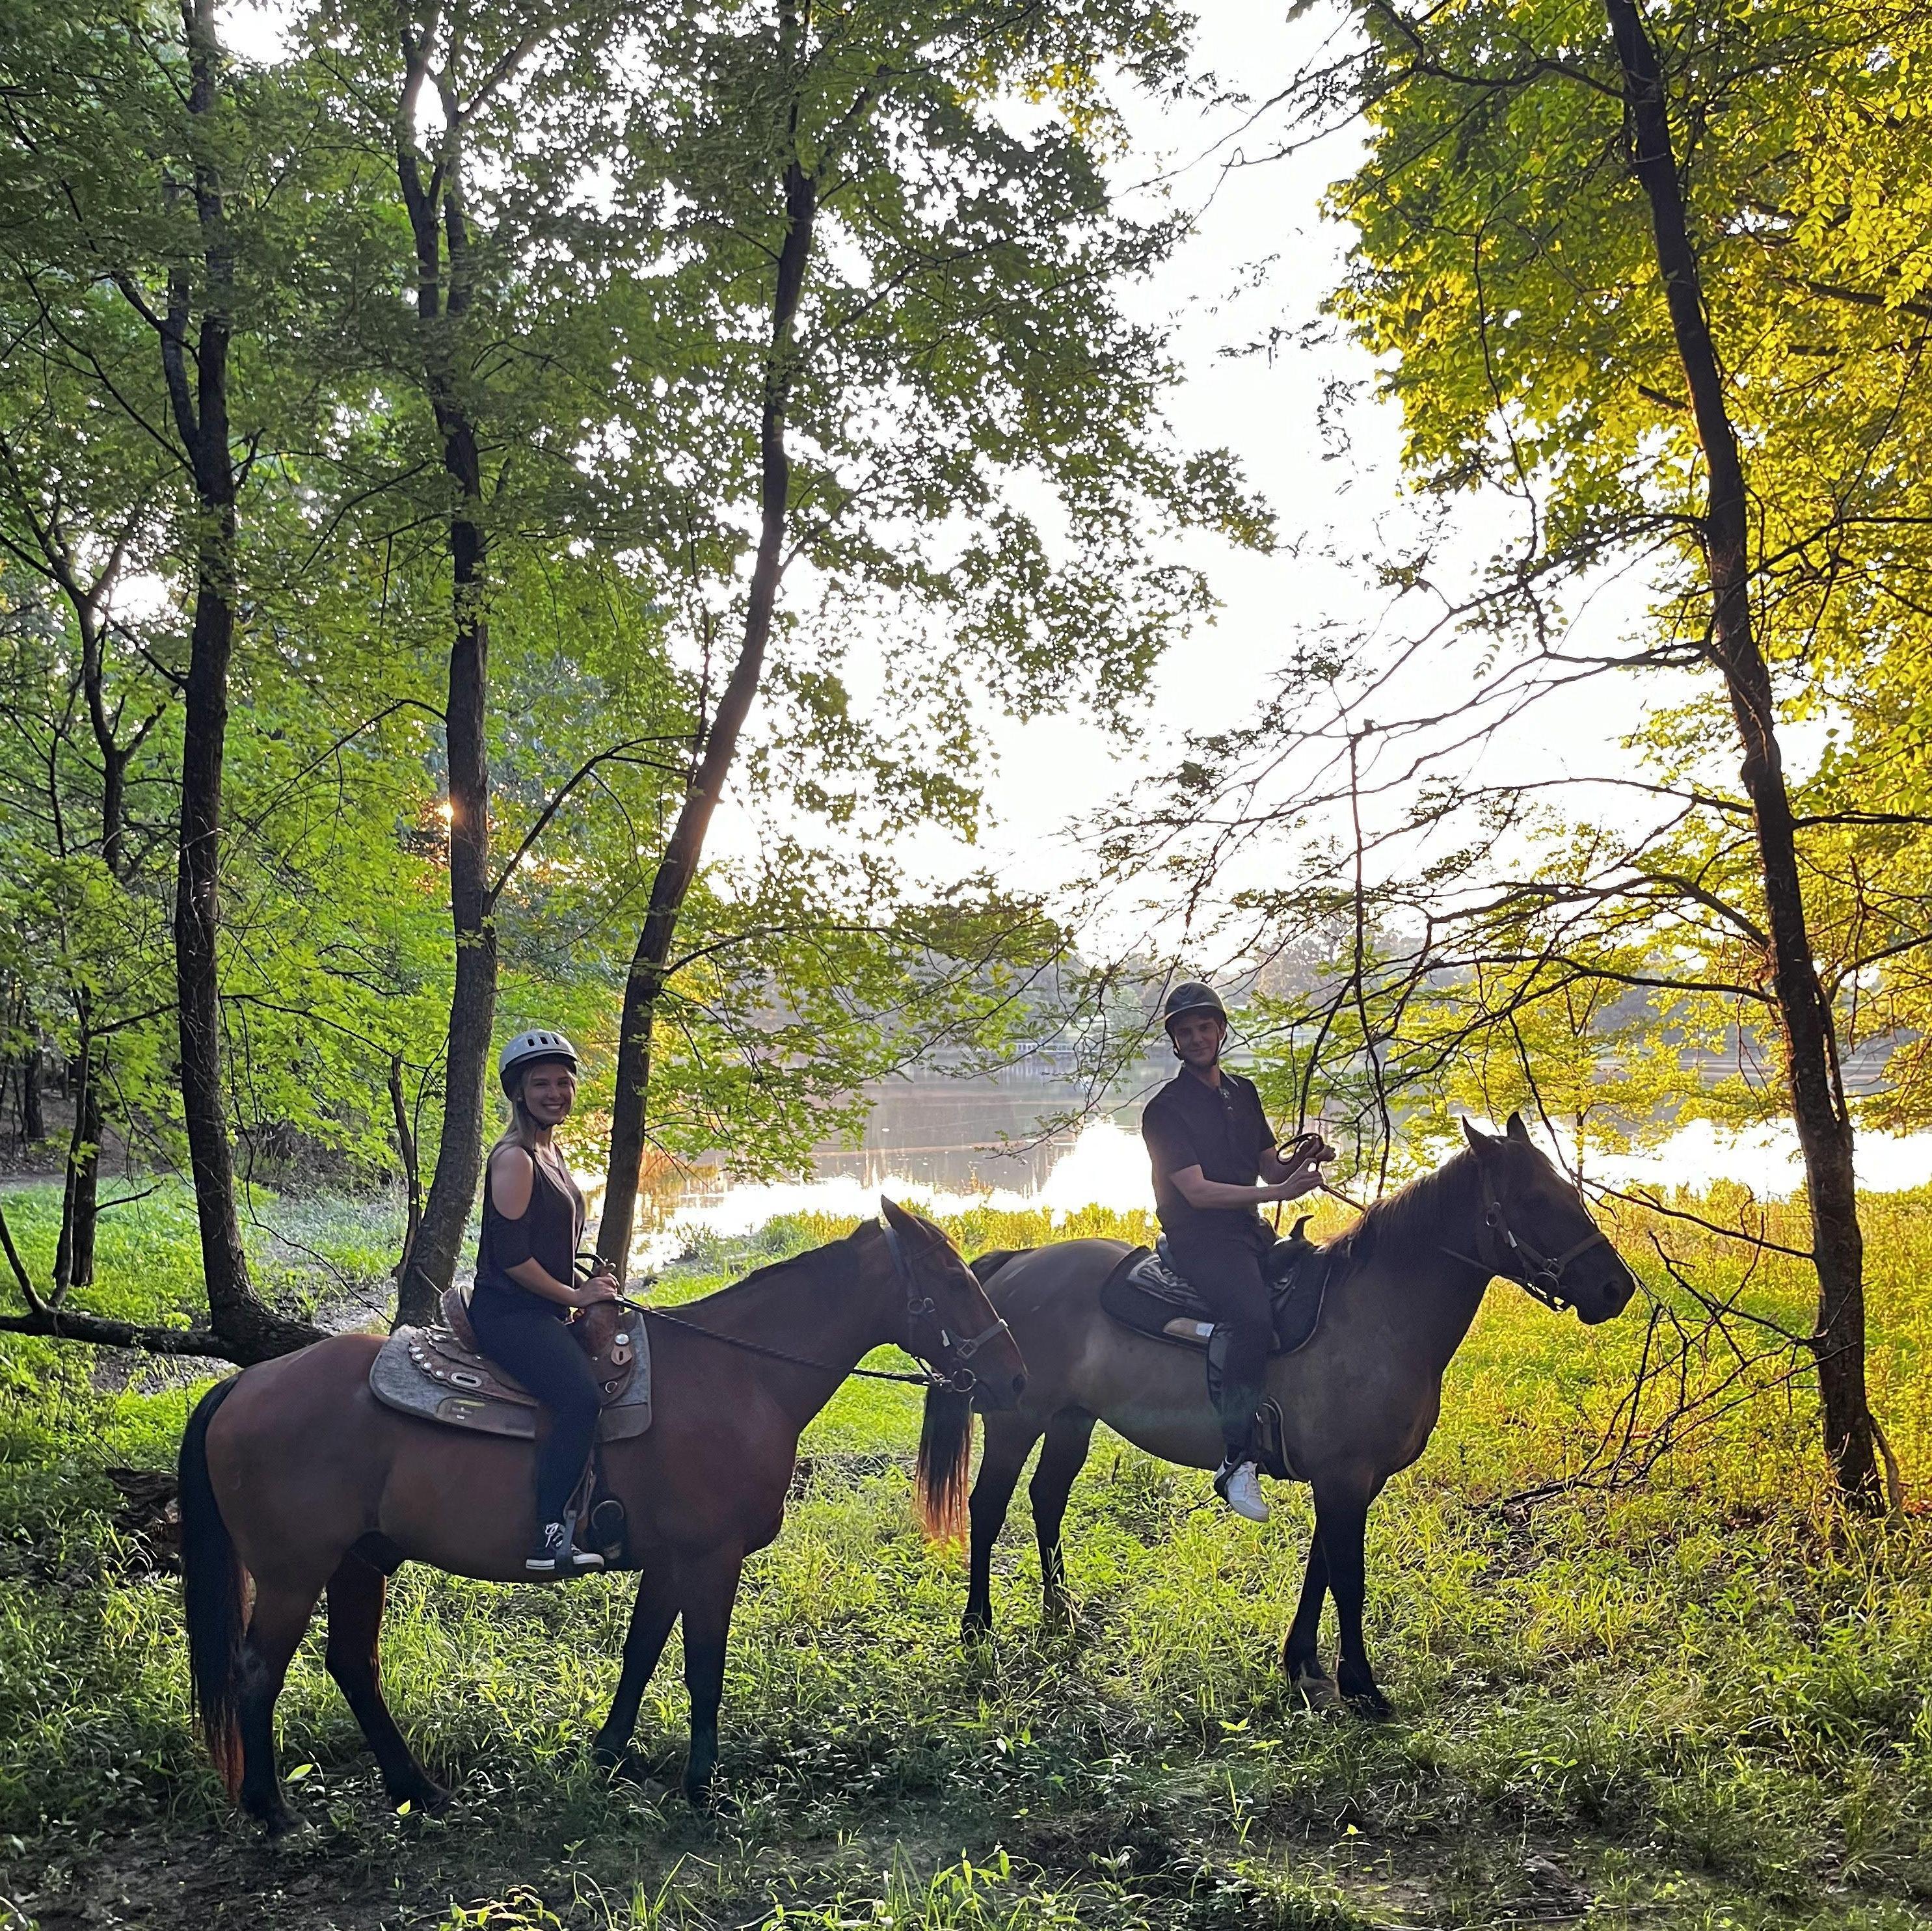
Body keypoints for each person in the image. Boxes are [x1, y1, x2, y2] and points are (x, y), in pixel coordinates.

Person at [1140, 982, 1330, 1525]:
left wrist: (1302, 1158)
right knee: (1251, 1316)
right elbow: (1196, 1191)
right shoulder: (1165, 1110)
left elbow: (1270, 1167)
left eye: (1205, 1027)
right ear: (1175, 1042)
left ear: (1222, 1030)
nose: (1197, 1038)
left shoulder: (1242, 1091)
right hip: (1200, 1239)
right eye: (1185, 1031)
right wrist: (1277, 1195)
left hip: (1247, 1232)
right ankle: (1236, 1458)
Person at [467, 1028, 621, 1575]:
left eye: (563, 1081)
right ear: (518, 1092)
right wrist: (576, 1294)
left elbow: (549, 1241)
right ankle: (549, 1532)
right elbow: (512, 1258)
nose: (555, 1092)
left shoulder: (550, 1151)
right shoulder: (516, 1159)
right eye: (541, 1084)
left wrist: (589, 1283)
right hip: (510, 1312)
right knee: (581, 1398)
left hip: (542, 1308)